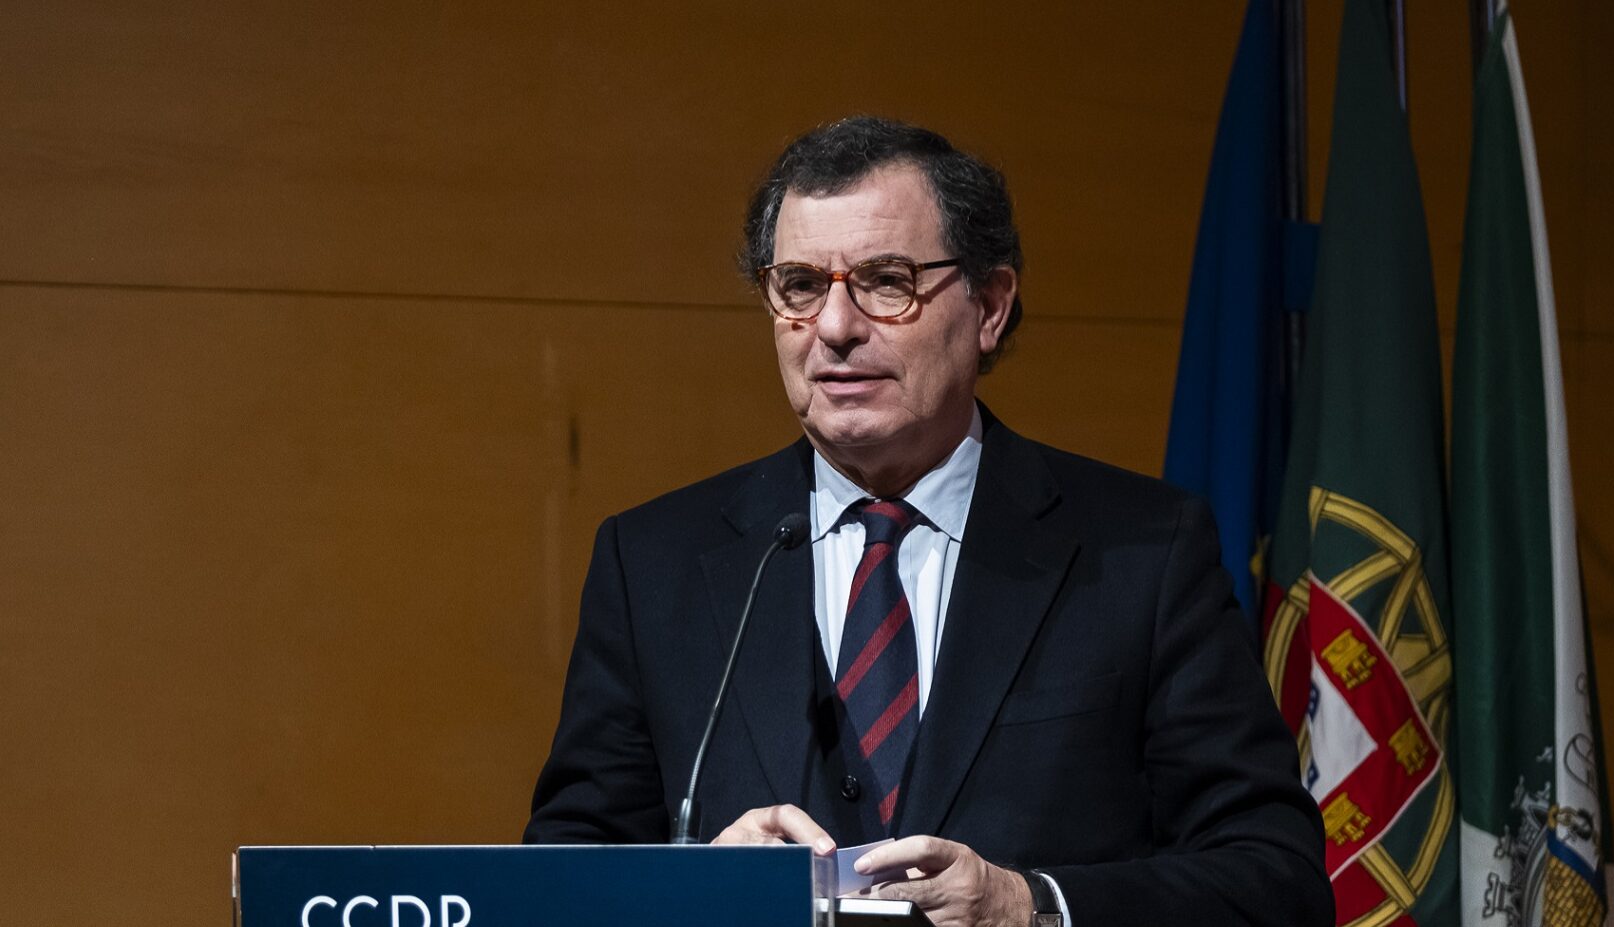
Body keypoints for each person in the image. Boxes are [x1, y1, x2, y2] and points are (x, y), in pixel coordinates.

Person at [523, 116, 1331, 927]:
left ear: (990, 307)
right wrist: (697, 888)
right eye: (800, 286)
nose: (835, 327)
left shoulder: (1144, 554)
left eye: (887, 281)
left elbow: (1274, 877)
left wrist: (1032, 906)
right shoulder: (653, 564)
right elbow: (553, 884)